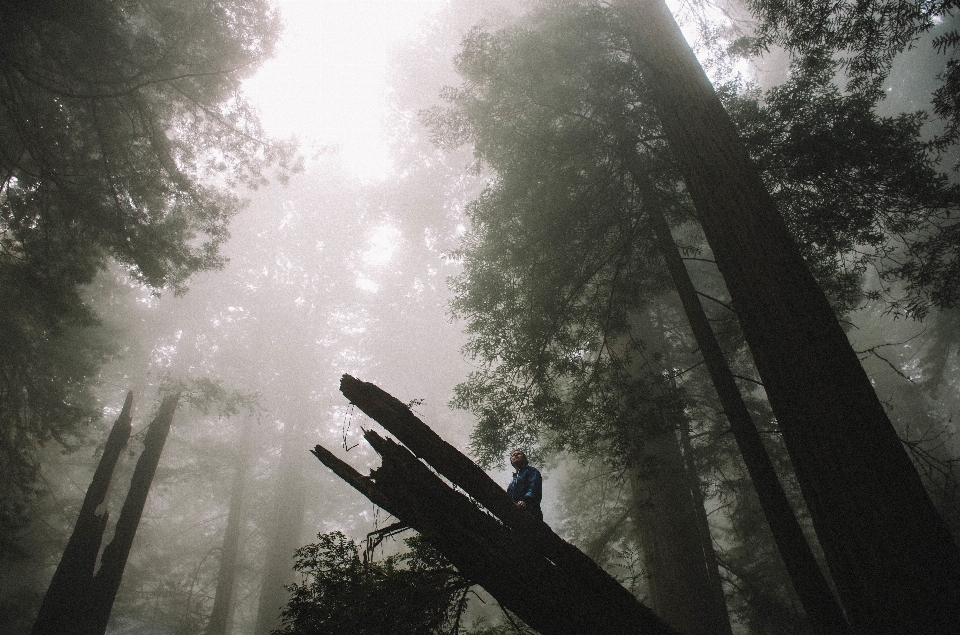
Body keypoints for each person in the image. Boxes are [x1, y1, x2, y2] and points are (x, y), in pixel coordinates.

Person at [506, 450, 543, 521]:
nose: (516, 455)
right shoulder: (514, 479)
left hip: (531, 510)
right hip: (515, 513)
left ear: (524, 458)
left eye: (519, 454)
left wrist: (525, 501)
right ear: (511, 462)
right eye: (513, 455)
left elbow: (533, 487)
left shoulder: (531, 471)